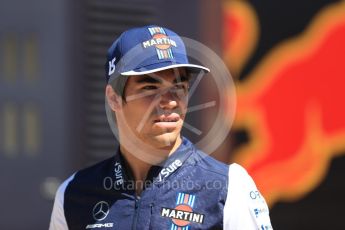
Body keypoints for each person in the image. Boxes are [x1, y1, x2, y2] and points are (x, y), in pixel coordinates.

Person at [49, 25, 273, 230]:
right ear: (114, 98)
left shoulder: (230, 186)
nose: (170, 100)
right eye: (150, 87)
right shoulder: (72, 193)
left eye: (179, 87)